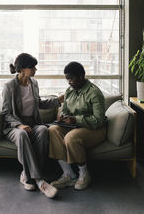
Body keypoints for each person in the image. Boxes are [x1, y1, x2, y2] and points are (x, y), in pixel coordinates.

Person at [1, 53, 64, 198]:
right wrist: (19, 125)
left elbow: (39, 103)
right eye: (32, 67)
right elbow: (6, 113)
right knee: (23, 134)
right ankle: (39, 180)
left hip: (33, 122)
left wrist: (57, 101)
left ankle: (26, 174)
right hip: (14, 126)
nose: (35, 70)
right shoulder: (9, 86)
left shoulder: (34, 83)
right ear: (22, 69)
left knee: (42, 130)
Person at [49, 61, 107, 191]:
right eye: (67, 79)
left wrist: (75, 120)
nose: (69, 82)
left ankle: (84, 174)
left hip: (95, 129)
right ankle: (69, 174)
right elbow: (66, 110)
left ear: (81, 76)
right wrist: (63, 116)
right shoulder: (70, 90)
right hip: (74, 126)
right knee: (52, 130)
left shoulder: (94, 93)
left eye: (71, 78)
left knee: (71, 137)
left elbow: (99, 120)